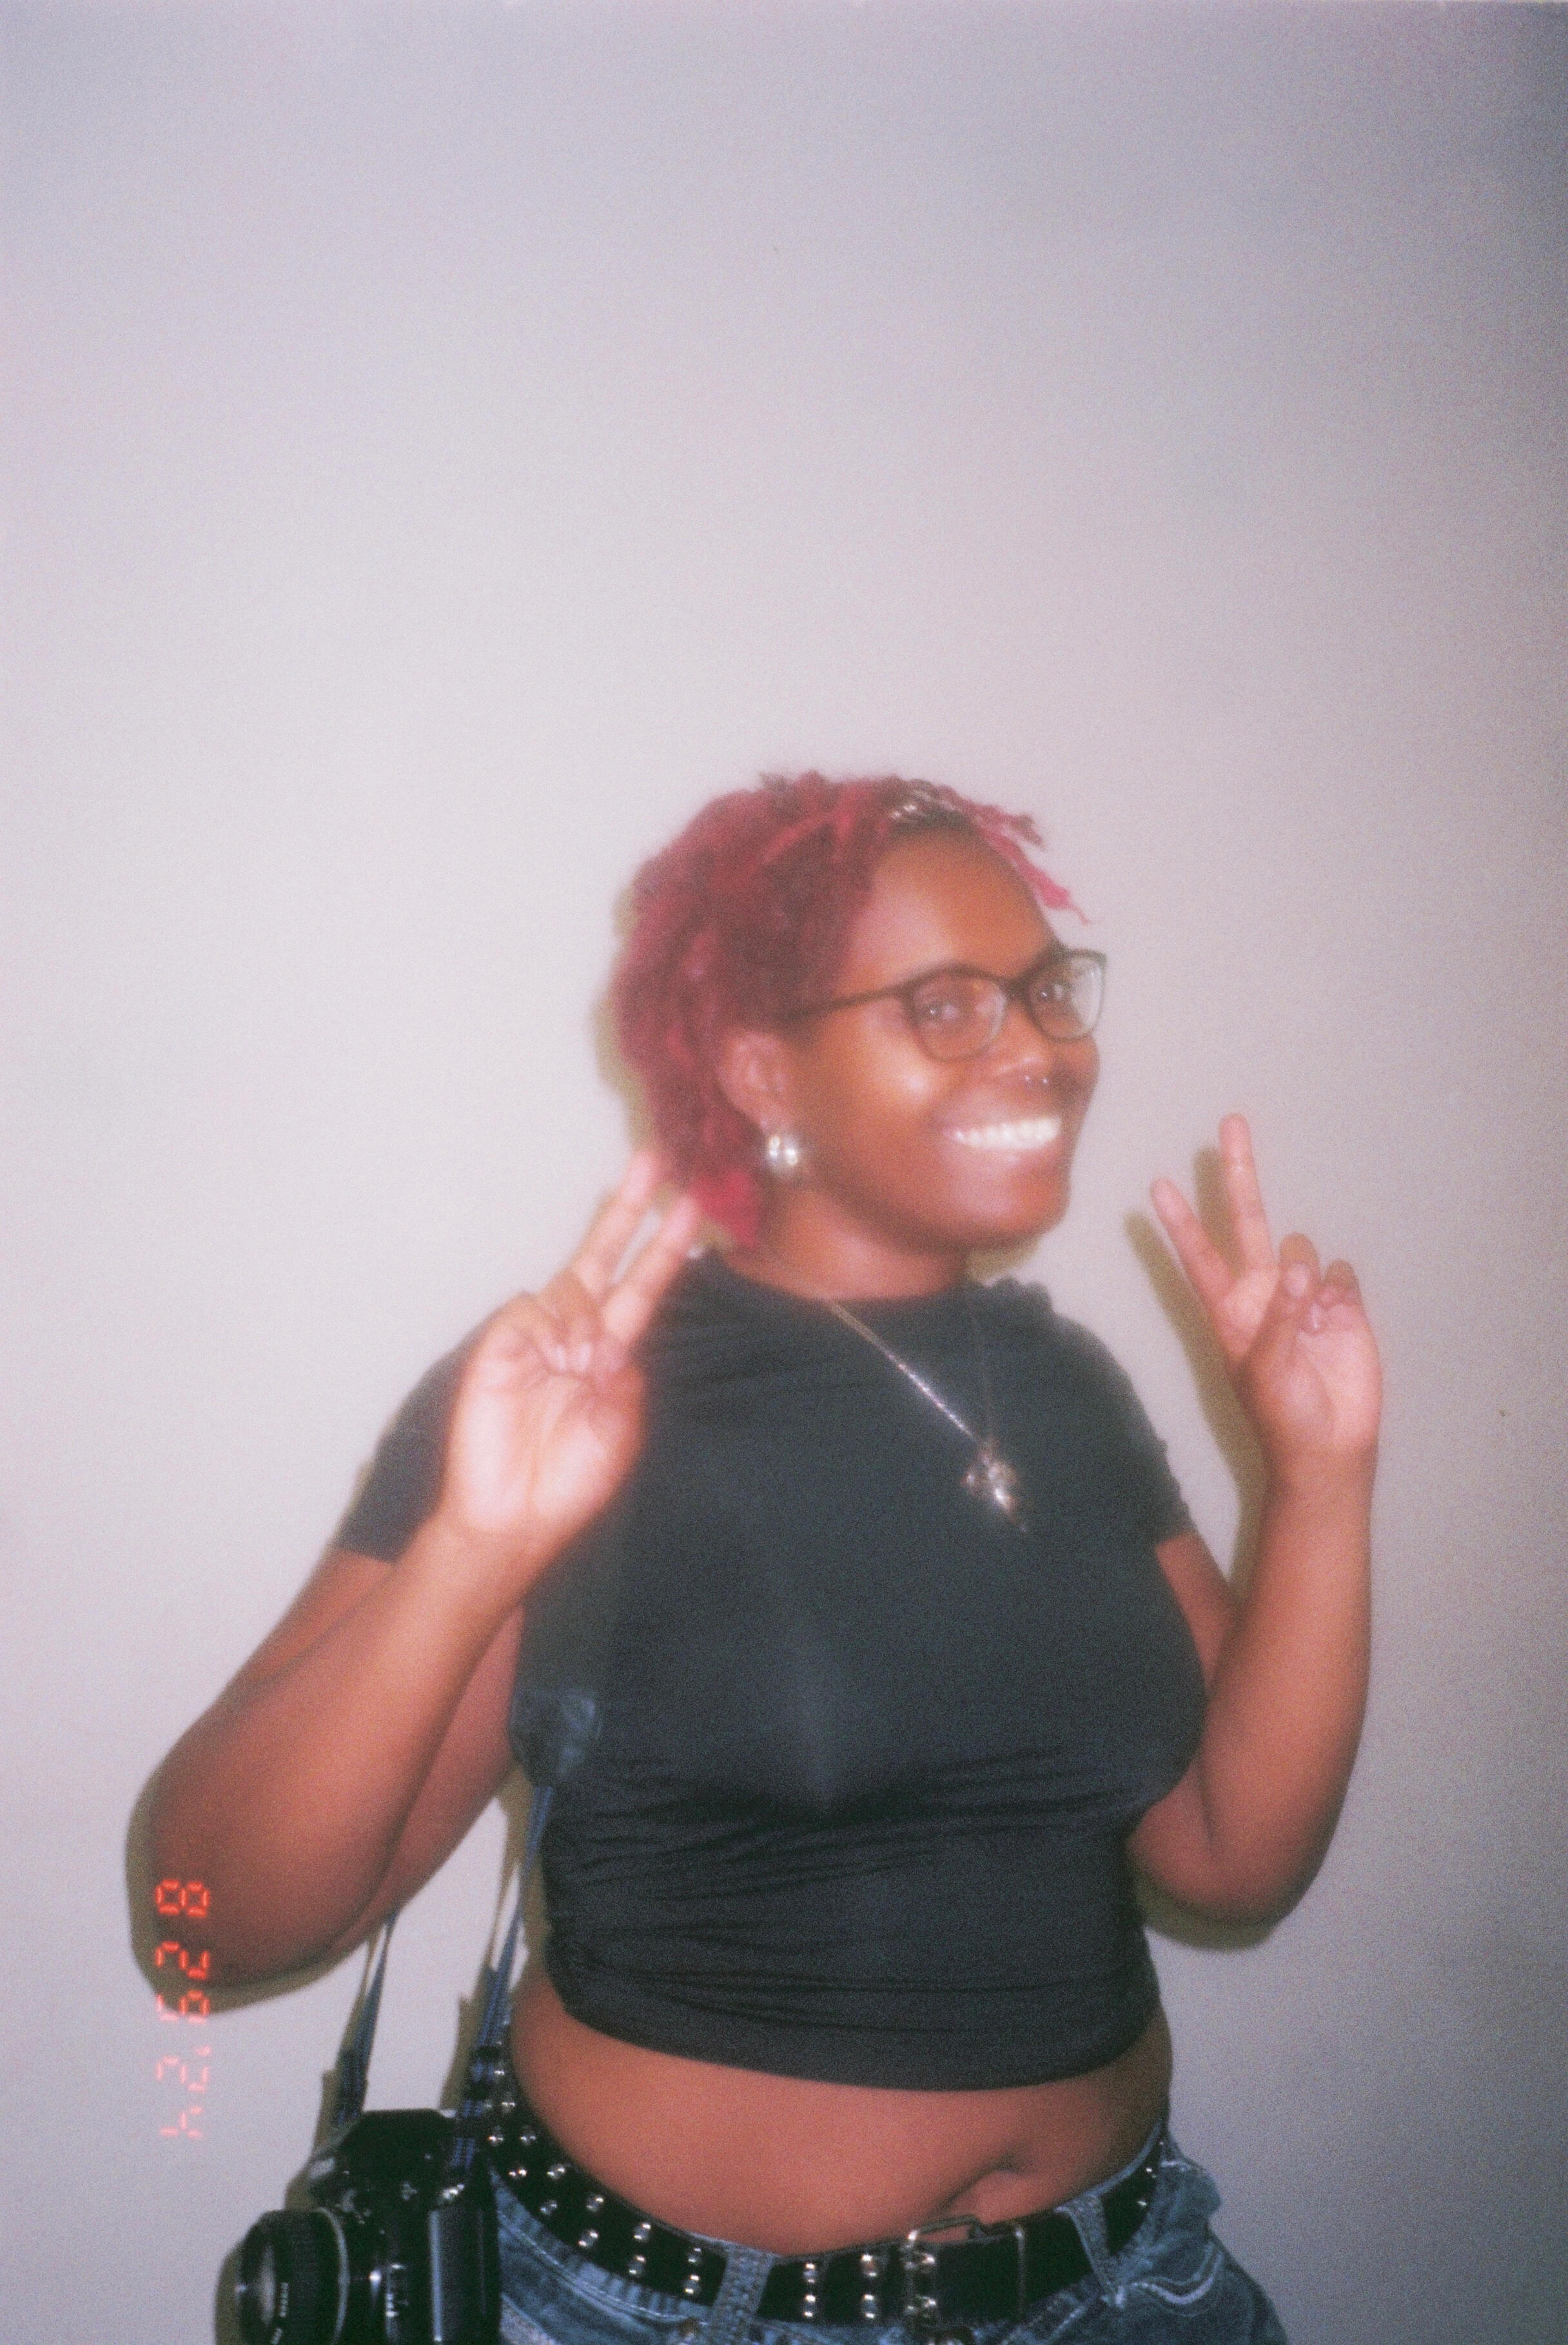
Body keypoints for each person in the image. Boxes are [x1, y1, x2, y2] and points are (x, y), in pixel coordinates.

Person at [150, 773, 1380, 2344]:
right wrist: (470, 1553)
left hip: (1128, 2283)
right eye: (945, 1003)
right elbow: (204, 1923)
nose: (1039, 1048)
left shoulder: (1062, 1385)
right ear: (757, 1068)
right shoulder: (592, 1390)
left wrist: (1323, 1480)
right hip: (670, 2312)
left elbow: (1229, 1857)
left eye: (1044, 991)